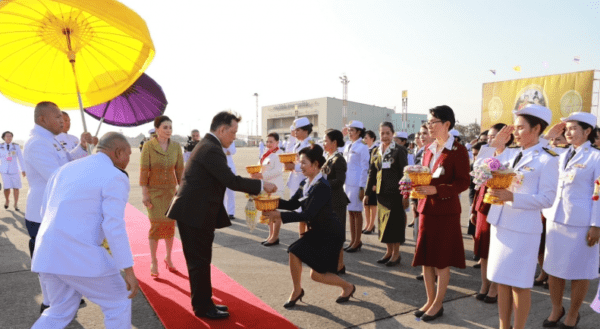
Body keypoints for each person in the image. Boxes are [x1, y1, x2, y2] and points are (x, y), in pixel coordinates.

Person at [165, 111, 277, 319]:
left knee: (201, 260)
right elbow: (231, 181)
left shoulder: (209, 146)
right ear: (222, 129)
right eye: (233, 132)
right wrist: (262, 185)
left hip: (195, 212)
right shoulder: (211, 149)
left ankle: (205, 302)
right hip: (194, 214)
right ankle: (202, 307)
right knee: (199, 262)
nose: (234, 136)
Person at [30, 132, 138, 329]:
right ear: (118, 152)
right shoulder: (115, 176)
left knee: (58, 311)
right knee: (119, 302)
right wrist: (128, 270)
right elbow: (113, 226)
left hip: (47, 253)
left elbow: (44, 211)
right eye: (128, 154)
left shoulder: (63, 170)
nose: (128, 160)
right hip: (80, 254)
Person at [475, 104, 559, 329]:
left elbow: (548, 199)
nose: (516, 132)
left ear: (536, 128)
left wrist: (513, 197)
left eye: (521, 128)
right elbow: (478, 170)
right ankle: (504, 326)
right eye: (516, 128)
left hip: (523, 229)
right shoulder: (510, 153)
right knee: (501, 281)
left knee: (519, 285)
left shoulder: (548, 159)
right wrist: (495, 145)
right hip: (501, 225)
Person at [263, 144, 355, 308]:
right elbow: (292, 204)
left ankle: (348, 287)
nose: (301, 166)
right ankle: (297, 290)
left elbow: (308, 215)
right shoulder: (305, 183)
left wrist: (279, 216)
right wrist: (271, 201)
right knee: (293, 251)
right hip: (318, 231)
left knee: (317, 275)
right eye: (300, 162)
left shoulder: (323, 187)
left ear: (316, 165)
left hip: (330, 234)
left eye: (304, 162)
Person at [24, 101, 92, 312]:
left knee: (58, 261)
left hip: (55, 210)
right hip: (42, 213)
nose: (62, 121)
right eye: (57, 118)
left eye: (62, 118)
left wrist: (82, 146)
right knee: (48, 264)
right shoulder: (37, 143)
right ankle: (49, 305)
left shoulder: (51, 141)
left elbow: (68, 160)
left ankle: (57, 302)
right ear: (42, 119)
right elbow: (57, 175)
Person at [411, 105, 470, 322]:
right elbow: (424, 176)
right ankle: (429, 299)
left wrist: (438, 190)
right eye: (428, 122)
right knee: (426, 258)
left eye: (433, 122)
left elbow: (464, 182)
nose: (429, 126)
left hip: (446, 211)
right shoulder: (428, 150)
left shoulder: (458, 151)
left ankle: (438, 303)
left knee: (441, 260)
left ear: (447, 124)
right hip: (426, 209)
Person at [541, 112, 600, 328]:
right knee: (554, 270)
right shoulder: (560, 154)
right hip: (556, 220)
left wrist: (596, 224)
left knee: (579, 271)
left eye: (573, 127)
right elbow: (536, 154)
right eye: (566, 127)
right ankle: (557, 308)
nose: (568, 131)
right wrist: (547, 137)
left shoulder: (596, 158)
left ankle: (573, 314)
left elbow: (599, 194)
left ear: (587, 131)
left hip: (581, 224)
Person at [140, 115, 184, 278]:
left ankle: (168, 258)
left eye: (170, 127)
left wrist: (182, 190)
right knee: (156, 226)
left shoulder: (176, 147)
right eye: (165, 127)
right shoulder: (148, 146)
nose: (168, 130)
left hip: (170, 192)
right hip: (154, 192)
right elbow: (144, 171)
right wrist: (145, 193)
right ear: (157, 129)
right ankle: (154, 260)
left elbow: (180, 170)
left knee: (169, 225)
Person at [364, 122, 408, 267]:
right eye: (382, 133)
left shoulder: (399, 150)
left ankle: (396, 254)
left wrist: (405, 195)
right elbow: (372, 172)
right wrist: (367, 192)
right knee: (383, 224)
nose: (385, 136)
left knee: (395, 224)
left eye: (388, 133)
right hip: (381, 193)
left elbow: (404, 173)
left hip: (395, 193)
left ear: (393, 133)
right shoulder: (376, 151)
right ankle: (388, 252)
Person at [321, 129, 349, 274]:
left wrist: (323, 183)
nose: (324, 143)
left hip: (337, 201)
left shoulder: (339, 159)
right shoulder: (329, 157)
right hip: (329, 201)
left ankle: (340, 265)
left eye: (326, 140)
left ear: (334, 143)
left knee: (337, 234)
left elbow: (339, 181)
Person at [251, 132, 284, 246]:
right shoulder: (266, 153)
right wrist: (255, 173)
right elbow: (261, 167)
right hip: (266, 187)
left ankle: (275, 237)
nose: (269, 144)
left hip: (275, 188)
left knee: (275, 213)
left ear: (277, 143)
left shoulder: (279, 154)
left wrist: (261, 176)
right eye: (267, 142)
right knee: (268, 212)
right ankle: (271, 235)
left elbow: (279, 171)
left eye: (271, 142)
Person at [343, 120, 370, 253]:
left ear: (359, 132)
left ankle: (357, 241)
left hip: (356, 184)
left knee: (357, 212)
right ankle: (352, 240)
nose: (349, 133)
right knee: (350, 212)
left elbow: (365, 168)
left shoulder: (363, 147)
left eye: (352, 130)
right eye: (348, 130)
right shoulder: (348, 145)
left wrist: (362, 187)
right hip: (347, 183)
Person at [284, 117, 314, 235]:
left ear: (305, 131)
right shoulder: (298, 144)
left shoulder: (311, 144)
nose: (295, 133)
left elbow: (311, 164)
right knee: (299, 214)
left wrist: (294, 167)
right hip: (296, 181)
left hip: (305, 181)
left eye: (297, 130)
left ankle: (307, 240)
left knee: (305, 214)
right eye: (294, 130)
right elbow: (289, 153)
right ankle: (302, 239)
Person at [0, 131, 26, 211]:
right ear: (4, 137)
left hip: (15, 170)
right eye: (7, 136)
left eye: (10, 136)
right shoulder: (0, 146)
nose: (9, 137)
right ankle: (7, 200)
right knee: (7, 188)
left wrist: (23, 169)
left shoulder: (16, 146)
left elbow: (21, 158)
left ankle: (16, 204)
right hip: (4, 170)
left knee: (16, 187)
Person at [362, 130, 379, 234]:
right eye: (364, 138)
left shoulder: (376, 150)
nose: (364, 140)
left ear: (372, 139)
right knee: (365, 203)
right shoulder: (364, 149)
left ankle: (372, 225)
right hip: (365, 179)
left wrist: (375, 183)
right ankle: (367, 224)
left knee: (372, 203)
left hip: (373, 180)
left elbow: (377, 168)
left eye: (366, 138)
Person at [223, 141, 237, 219]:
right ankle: (223, 211)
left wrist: (227, 145)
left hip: (230, 167)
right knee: (221, 191)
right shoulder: (217, 139)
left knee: (231, 191)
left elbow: (233, 151)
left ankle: (231, 212)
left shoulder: (230, 140)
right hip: (220, 167)